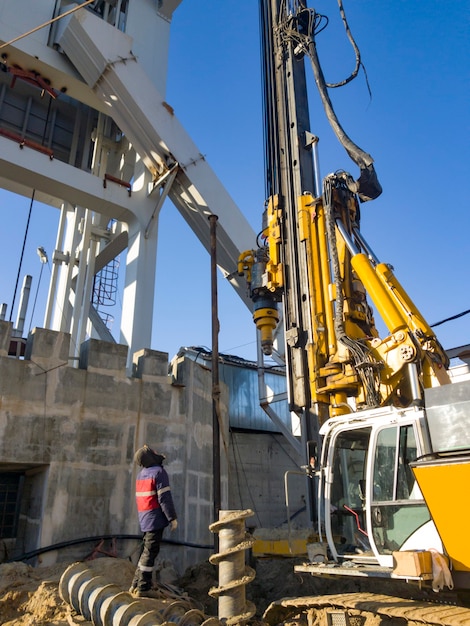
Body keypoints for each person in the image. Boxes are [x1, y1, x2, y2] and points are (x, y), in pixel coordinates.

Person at [130, 444, 178, 597]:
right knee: (151, 552)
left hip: (145, 519)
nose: (157, 453)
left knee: (146, 552)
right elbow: (164, 498)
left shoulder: (141, 475)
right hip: (155, 519)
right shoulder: (159, 472)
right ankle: (143, 588)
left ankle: (135, 584)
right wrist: (172, 518)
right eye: (153, 452)